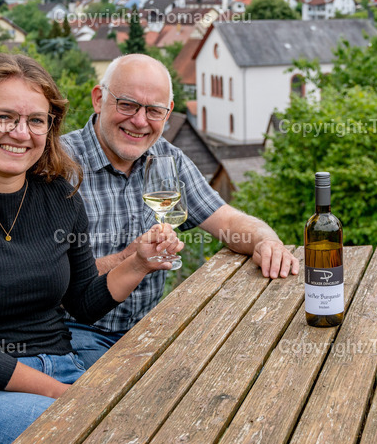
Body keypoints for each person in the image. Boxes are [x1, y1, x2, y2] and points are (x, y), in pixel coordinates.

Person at [0, 53, 180, 444]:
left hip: (62, 369)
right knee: (97, 432)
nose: (21, 132)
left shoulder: (59, 196)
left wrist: (138, 262)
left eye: (36, 120)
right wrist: (64, 396)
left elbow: (82, 301)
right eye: (4, 117)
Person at [62, 53, 299, 367]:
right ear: (98, 99)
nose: (139, 121)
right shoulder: (58, 165)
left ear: (168, 112)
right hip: (77, 333)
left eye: (154, 110)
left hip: (147, 328)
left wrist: (266, 241)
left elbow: (226, 220)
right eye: (127, 104)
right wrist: (128, 261)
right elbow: (42, 279)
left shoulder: (164, 158)